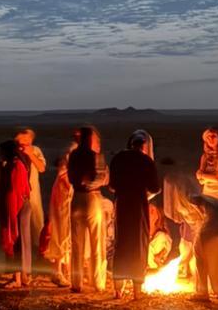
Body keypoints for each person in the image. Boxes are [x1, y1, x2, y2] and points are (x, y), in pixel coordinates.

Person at [109, 131, 161, 300]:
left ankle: (117, 289)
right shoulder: (146, 161)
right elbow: (155, 188)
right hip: (139, 206)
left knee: (121, 242)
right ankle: (137, 291)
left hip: (122, 205)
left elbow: (112, 186)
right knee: (139, 245)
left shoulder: (118, 159)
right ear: (143, 146)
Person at [67, 125, 109, 293]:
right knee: (97, 242)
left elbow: (71, 177)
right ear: (91, 139)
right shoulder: (95, 156)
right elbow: (100, 178)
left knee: (76, 244)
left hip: (76, 198)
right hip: (92, 197)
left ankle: (76, 283)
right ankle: (98, 283)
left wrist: (80, 182)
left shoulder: (73, 156)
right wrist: (95, 180)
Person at [42, 140, 77, 286]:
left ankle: (66, 271)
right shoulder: (64, 174)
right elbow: (67, 186)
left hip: (67, 205)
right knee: (62, 235)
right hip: (63, 206)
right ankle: (58, 271)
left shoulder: (67, 172)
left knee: (67, 236)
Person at [0, 139, 32, 288]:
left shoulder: (15, 166)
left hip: (17, 206)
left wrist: (11, 215)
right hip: (20, 205)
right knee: (21, 241)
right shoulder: (15, 164)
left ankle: (17, 278)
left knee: (17, 240)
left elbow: (13, 191)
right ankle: (22, 276)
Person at [15, 127, 47, 257]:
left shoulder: (36, 151)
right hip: (17, 194)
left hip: (32, 193)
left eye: (27, 140)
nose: (24, 143)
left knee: (36, 222)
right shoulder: (14, 151)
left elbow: (41, 168)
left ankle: (38, 254)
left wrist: (31, 154)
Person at [146, 201, 172, 271]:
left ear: (157, 216)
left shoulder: (161, 238)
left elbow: (154, 263)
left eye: (151, 211)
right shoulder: (143, 235)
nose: (147, 213)